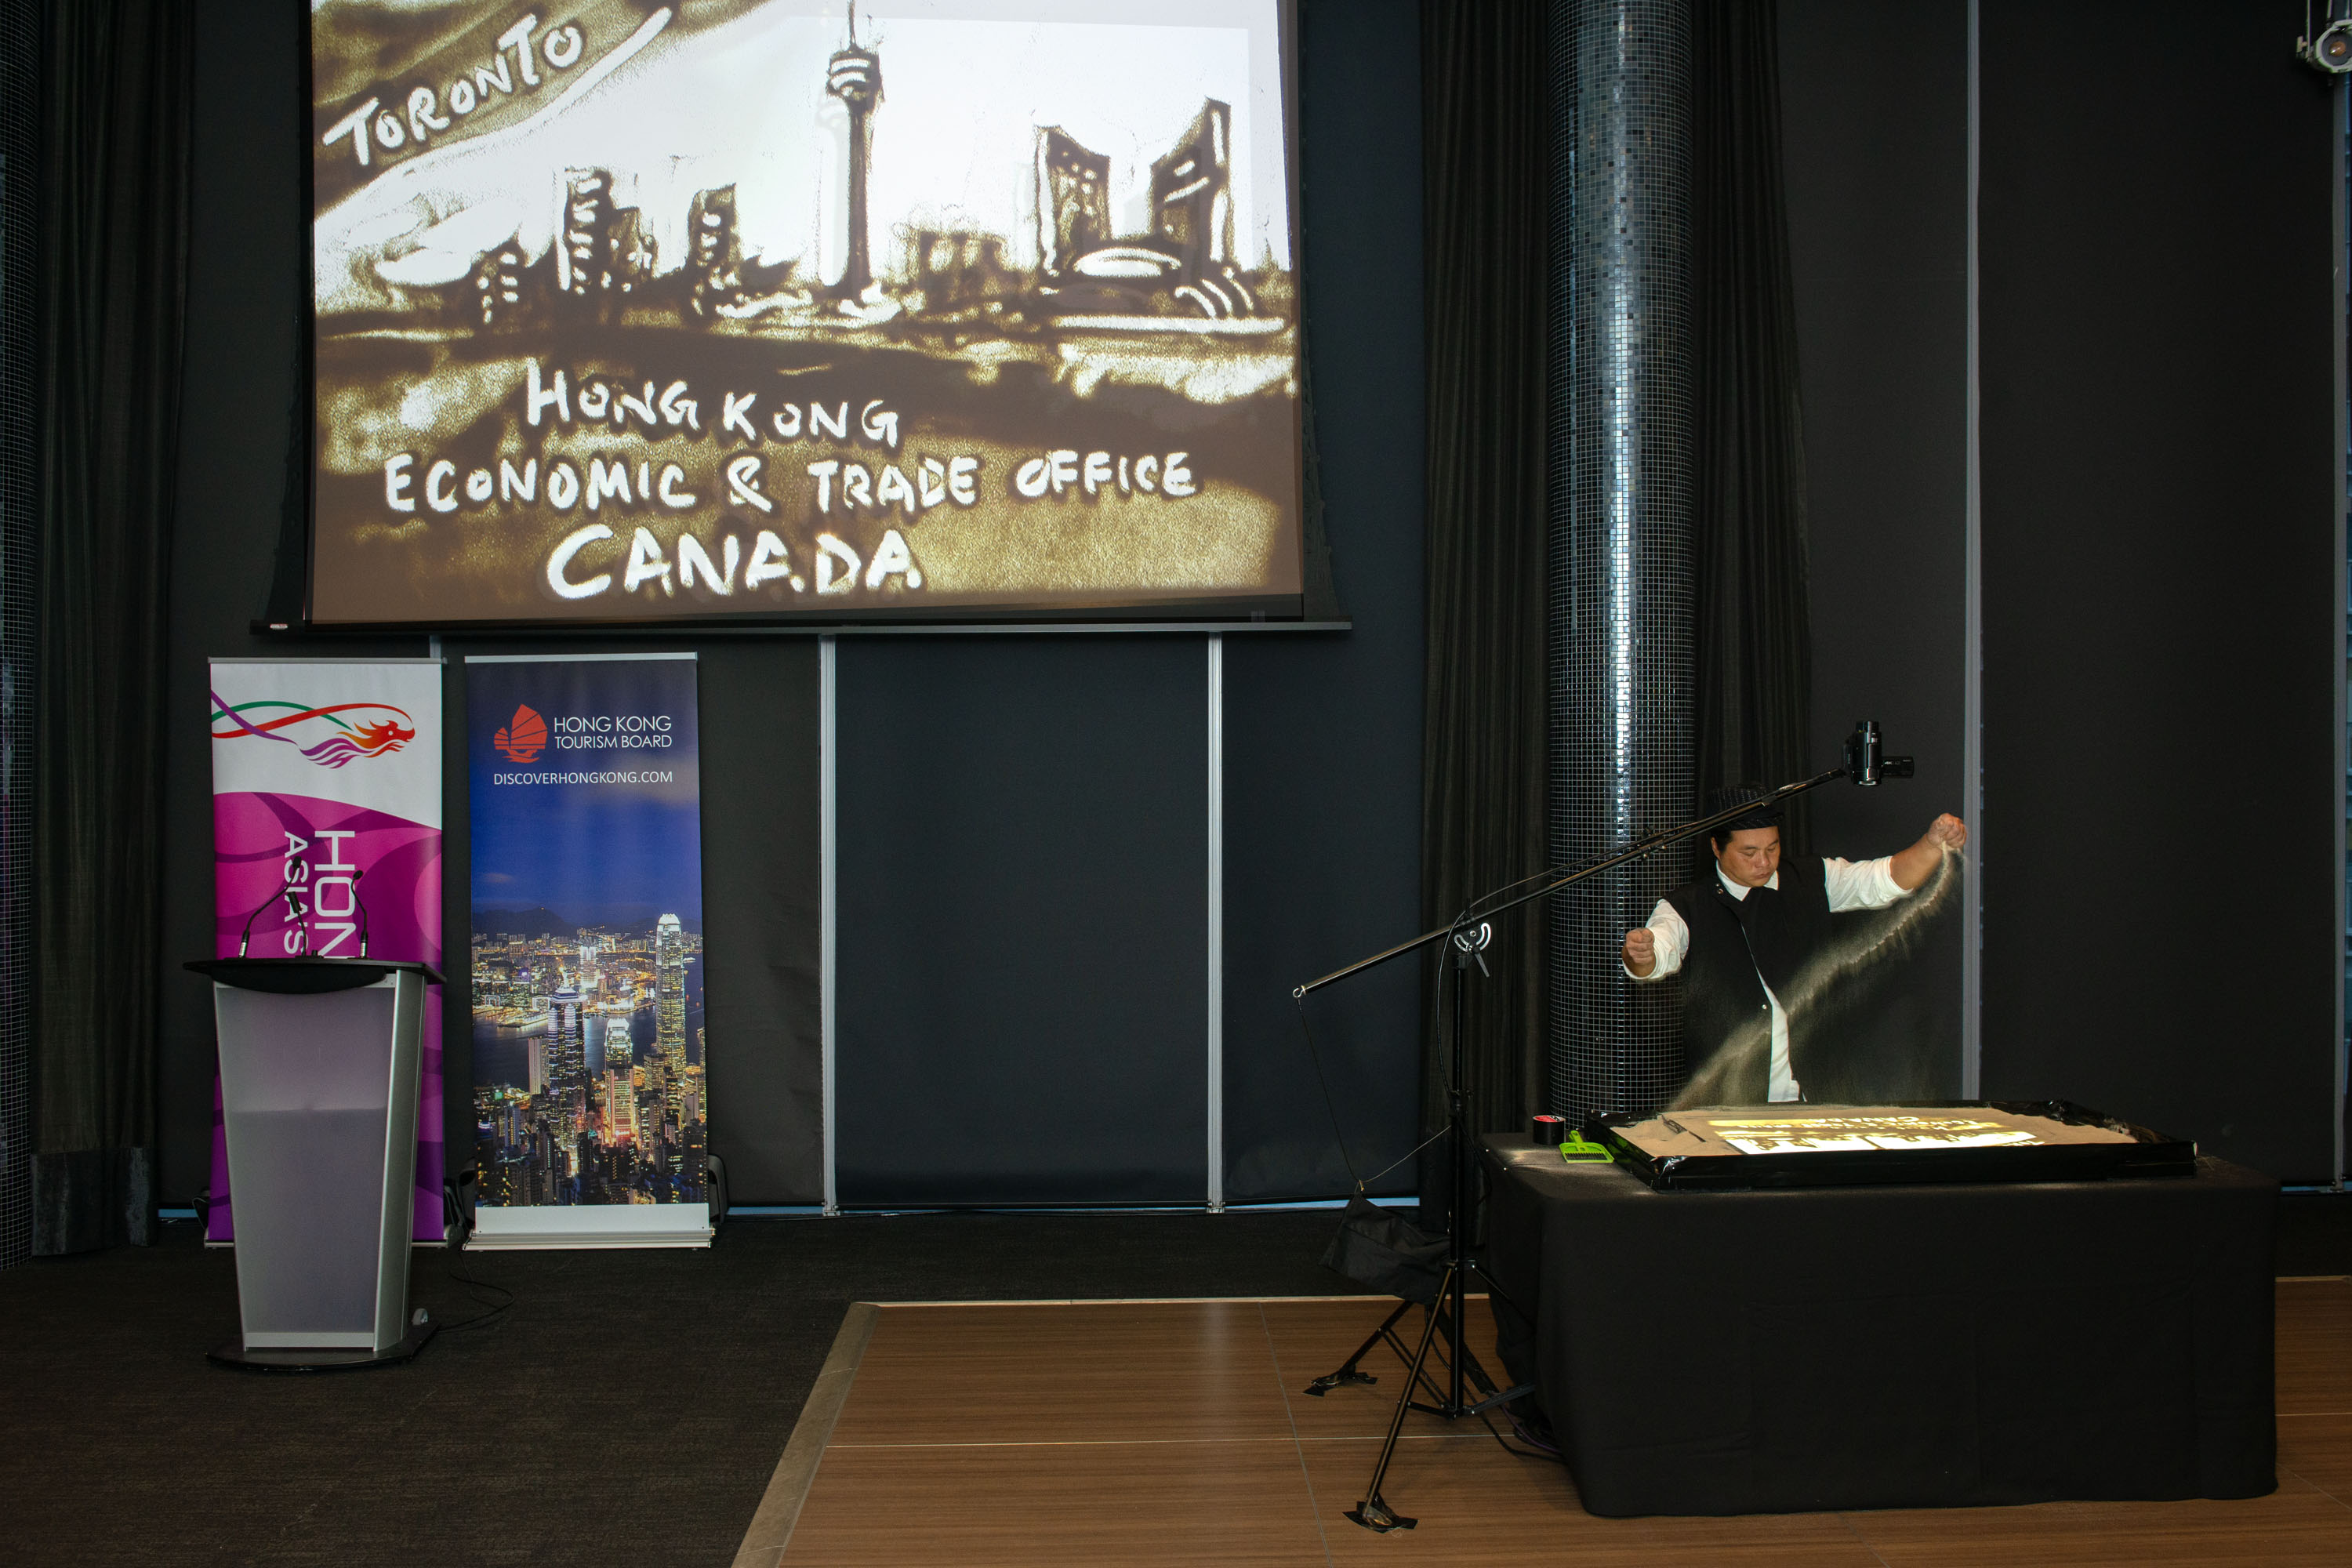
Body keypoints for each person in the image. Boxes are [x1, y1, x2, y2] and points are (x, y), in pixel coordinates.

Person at [1620, 786, 1966, 1104]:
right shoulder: (1685, 906)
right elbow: (1656, 957)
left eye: (1772, 848)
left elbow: (1882, 879)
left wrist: (1931, 844)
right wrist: (1642, 954)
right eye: (1749, 852)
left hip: (1814, 1091)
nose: (1764, 862)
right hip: (1728, 1098)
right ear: (1716, 847)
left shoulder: (1812, 877)